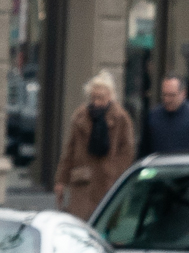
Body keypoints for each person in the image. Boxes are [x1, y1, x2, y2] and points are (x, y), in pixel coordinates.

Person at [55, 70, 136, 220]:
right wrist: (61, 181)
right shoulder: (80, 116)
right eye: (93, 98)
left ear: (110, 97)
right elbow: (69, 151)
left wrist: (115, 174)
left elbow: (127, 153)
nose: (96, 102)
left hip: (108, 183)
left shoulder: (121, 119)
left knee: (104, 222)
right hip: (82, 182)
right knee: (80, 225)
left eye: (100, 98)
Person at [141, 75, 189, 156]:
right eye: (164, 95)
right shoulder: (153, 116)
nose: (167, 99)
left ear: (183, 93)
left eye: (172, 95)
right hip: (159, 166)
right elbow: (144, 149)